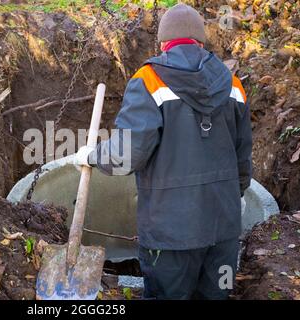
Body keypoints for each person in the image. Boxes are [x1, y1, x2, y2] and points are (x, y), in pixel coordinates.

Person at [74, 3, 252, 300]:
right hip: (223, 230)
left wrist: (91, 156)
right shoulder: (232, 84)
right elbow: (243, 154)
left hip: (170, 237)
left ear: (163, 43)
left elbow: (127, 155)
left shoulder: (149, 81)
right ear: (200, 41)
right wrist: (239, 194)